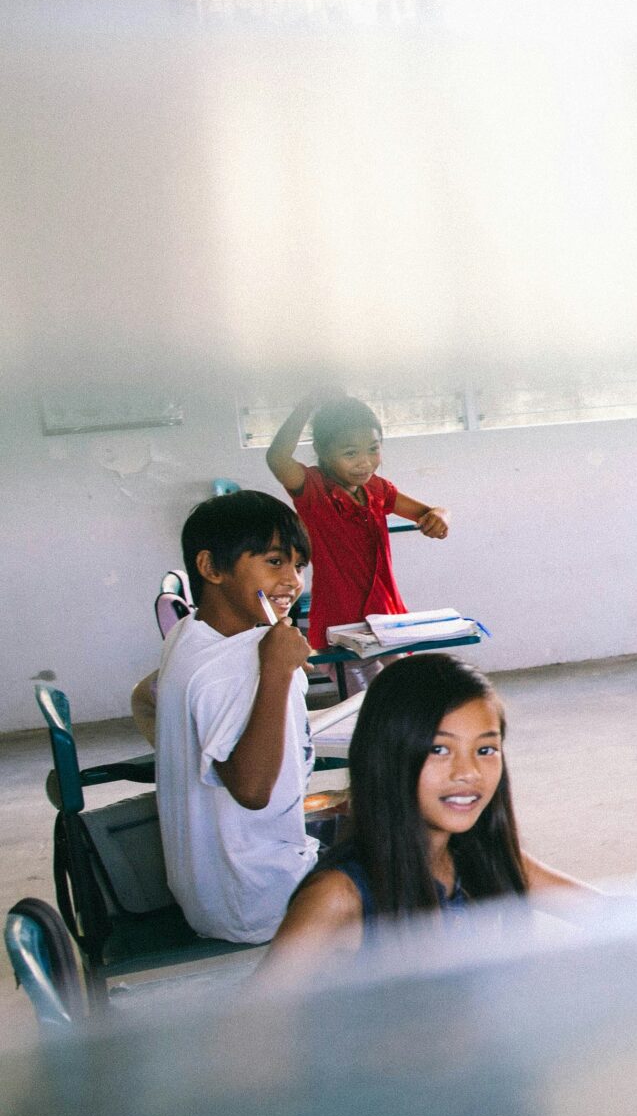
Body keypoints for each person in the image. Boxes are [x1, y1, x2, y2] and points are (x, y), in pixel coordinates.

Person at [260, 653, 592, 979]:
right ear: (388, 756)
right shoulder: (337, 898)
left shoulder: (480, 855)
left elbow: (606, 911)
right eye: (439, 749)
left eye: (485, 749)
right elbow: (251, 1023)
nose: (469, 772)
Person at [156, 491, 319, 944]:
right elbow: (251, 791)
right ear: (211, 568)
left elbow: (142, 696)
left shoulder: (190, 632)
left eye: (298, 566)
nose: (292, 581)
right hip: (260, 898)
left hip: (211, 889)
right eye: (273, 562)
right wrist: (276, 670)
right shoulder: (241, 663)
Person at [266, 388, 449, 648]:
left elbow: (429, 511)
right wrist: (305, 406)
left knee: (401, 681)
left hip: (386, 614)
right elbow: (277, 458)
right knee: (368, 688)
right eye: (350, 454)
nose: (364, 463)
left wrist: (440, 516)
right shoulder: (313, 489)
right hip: (340, 621)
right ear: (323, 450)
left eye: (373, 449)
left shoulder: (377, 489)